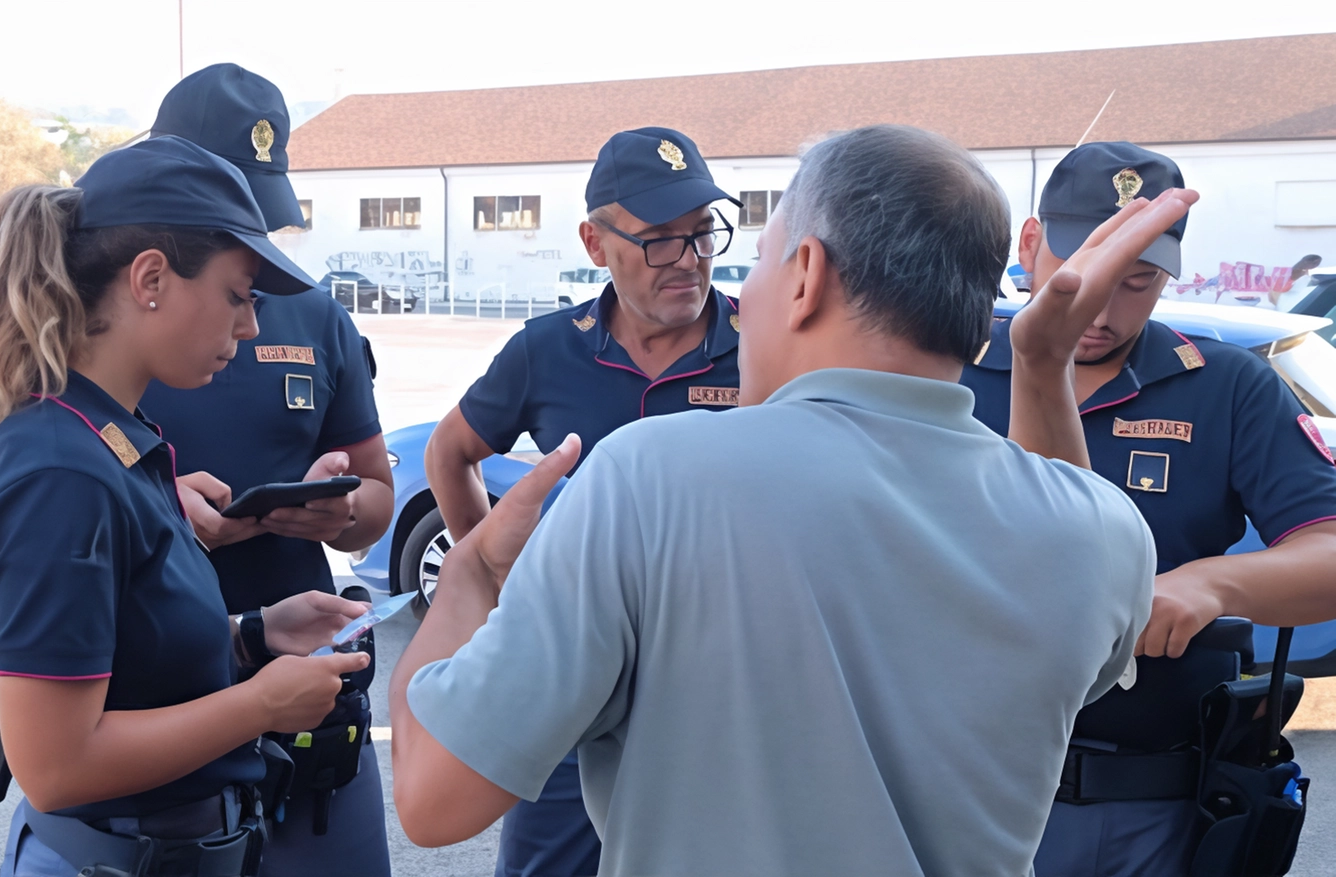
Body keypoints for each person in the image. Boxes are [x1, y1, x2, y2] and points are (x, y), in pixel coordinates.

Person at [390, 124, 1193, 875]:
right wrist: (1042, 365)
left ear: (806, 276)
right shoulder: (1106, 532)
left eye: (758, 258)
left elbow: (434, 800)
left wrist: (468, 575)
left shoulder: (648, 477)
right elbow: (1068, 618)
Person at [0, 135, 371, 876]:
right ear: (150, 278)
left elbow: (131, 655)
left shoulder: (107, 438)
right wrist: (262, 705)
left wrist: (253, 635)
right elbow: (55, 764)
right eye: (238, 296)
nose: (250, 326)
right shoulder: (60, 469)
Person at [960, 142, 1336, 876]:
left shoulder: (1225, 385)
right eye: (1081, 271)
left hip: (1152, 811)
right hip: (973, 790)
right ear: (1030, 244)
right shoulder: (949, 368)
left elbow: (1326, 552)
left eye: (1137, 279)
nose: (1100, 304)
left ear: (1170, 276)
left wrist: (1210, 584)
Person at [423, 125, 743, 877]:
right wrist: (499, 581)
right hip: (576, 684)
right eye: (661, 241)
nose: (689, 260)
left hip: (716, 684)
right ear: (596, 243)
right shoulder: (546, 349)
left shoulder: (760, 342)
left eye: (703, 235)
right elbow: (449, 451)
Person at [138, 63, 394, 877]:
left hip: (306, 684)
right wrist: (154, 504)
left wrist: (337, 513)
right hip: (158, 683)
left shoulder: (314, 311)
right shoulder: (98, 321)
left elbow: (377, 496)